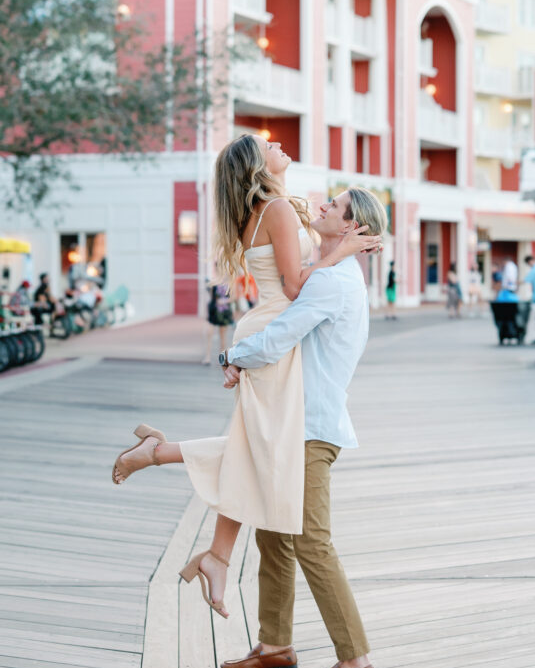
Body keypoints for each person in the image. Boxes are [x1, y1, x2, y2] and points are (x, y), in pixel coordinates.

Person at [111, 134, 378, 620]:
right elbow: (298, 287)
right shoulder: (275, 207)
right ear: (258, 163)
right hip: (276, 328)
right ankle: (160, 461)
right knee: (260, 449)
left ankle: (215, 551)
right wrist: (339, 255)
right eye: (268, 143)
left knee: (259, 449)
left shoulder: (277, 205)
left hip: (272, 327)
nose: (278, 143)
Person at [219, 187, 387, 668]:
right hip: (299, 423)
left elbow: (281, 334)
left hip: (310, 429)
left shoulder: (334, 283)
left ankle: (355, 659)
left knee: (311, 541)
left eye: (333, 206)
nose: (321, 209)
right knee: (272, 531)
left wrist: (232, 356)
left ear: (353, 226)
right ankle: (275, 644)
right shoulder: (334, 275)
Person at [202, 280, 234, 365]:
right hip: (213, 311)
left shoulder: (230, 282)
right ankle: (207, 357)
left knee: (223, 336)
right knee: (209, 333)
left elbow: (234, 297)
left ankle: (222, 358)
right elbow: (210, 298)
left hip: (224, 312)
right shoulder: (214, 281)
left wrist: (224, 301)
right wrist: (206, 312)